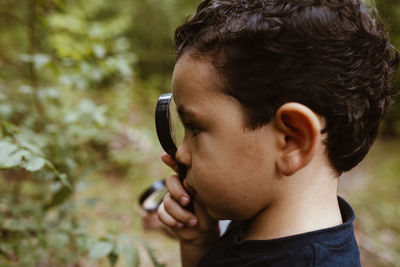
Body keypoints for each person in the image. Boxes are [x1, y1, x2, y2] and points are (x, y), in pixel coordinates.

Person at [157, 0, 399, 266]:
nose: (181, 153)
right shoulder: (257, 221)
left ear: (292, 140)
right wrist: (199, 244)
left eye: (195, 127)